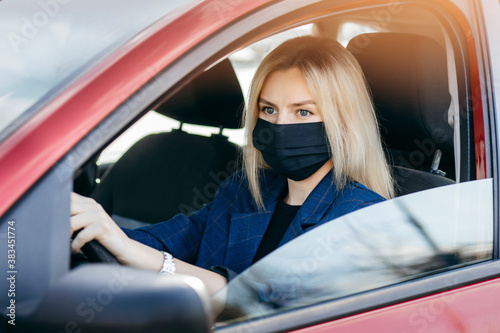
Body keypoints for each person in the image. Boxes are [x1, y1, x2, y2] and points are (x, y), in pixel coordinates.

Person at [70, 35, 394, 296]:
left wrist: (157, 263)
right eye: (268, 110)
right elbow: (168, 239)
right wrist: (93, 233)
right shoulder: (243, 190)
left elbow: (269, 300)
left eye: (303, 112)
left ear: (342, 122)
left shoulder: (363, 215)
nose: (279, 125)